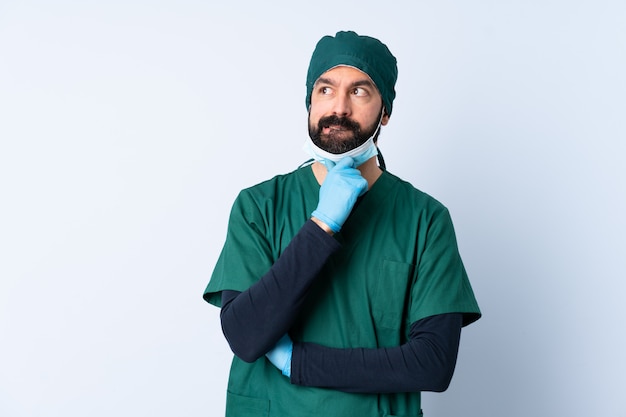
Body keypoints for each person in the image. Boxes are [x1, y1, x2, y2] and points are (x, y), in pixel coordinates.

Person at [203, 30, 481, 417]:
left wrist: (299, 363)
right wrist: (322, 225)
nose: (340, 108)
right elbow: (246, 336)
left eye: (360, 91)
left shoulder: (425, 219)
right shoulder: (259, 207)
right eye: (326, 90)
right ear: (309, 102)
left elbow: (432, 363)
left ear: (385, 111)